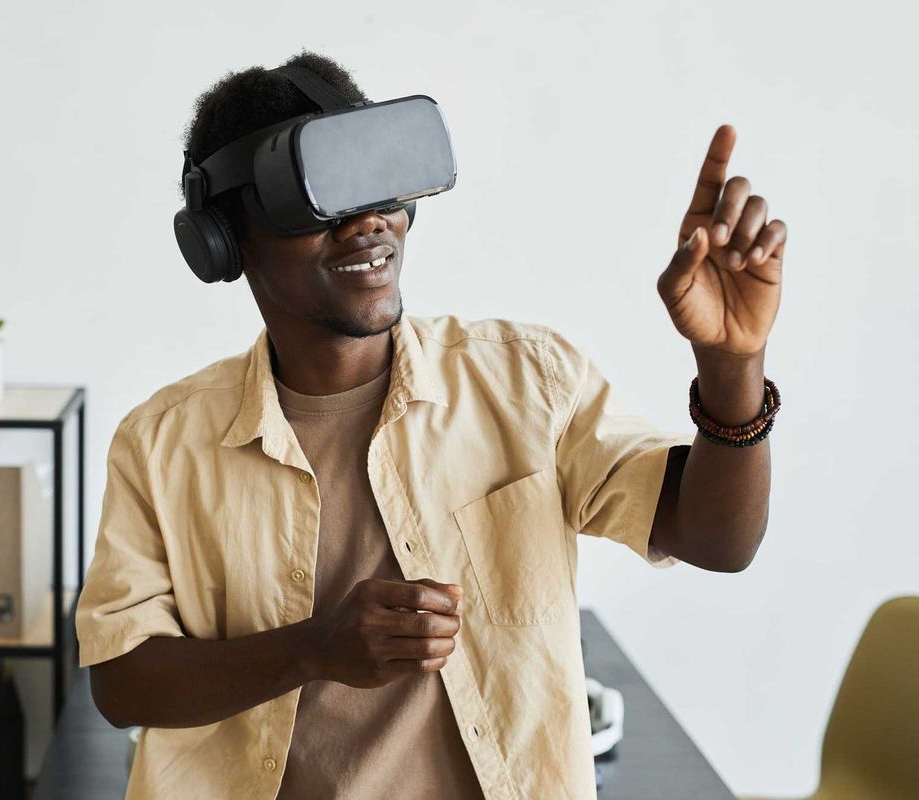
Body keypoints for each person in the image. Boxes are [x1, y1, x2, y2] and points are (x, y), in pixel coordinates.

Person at [76, 49, 784, 800]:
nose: (369, 221)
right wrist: (313, 650)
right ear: (223, 236)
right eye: (316, 196)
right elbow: (124, 682)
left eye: (379, 180)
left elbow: (719, 540)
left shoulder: (526, 380)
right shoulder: (162, 442)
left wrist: (731, 363)